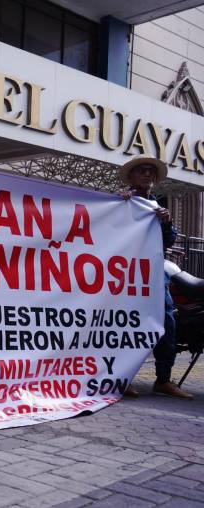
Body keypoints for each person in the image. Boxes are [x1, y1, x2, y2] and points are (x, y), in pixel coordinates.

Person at [119, 155, 193, 400]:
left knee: (167, 324)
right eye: (142, 171)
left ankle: (163, 380)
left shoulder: (157, 207)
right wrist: (119, 204)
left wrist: (167, 221)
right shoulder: (121, 200)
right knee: (127, 328)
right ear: (131, 177)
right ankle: (122, 378)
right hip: (126, 274)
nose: (147, 175)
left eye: (151, 172)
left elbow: (168, 241)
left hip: (153, 275)